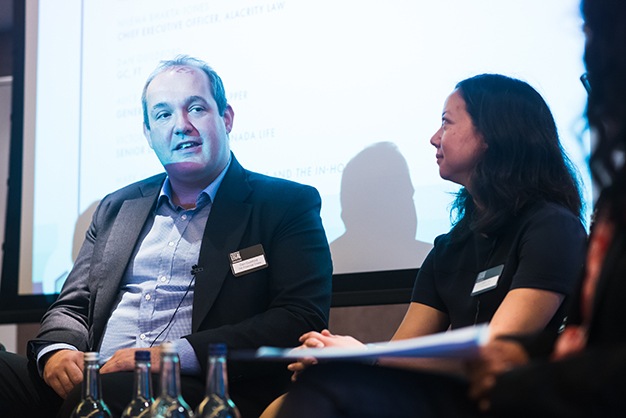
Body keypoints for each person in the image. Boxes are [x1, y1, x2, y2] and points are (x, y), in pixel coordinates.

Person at [0, 55, 333, 418]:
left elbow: (300, 316)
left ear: (226, 118)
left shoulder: (284, 204)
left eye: (196, 109)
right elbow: (72, 307)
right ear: (147, 133)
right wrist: (58, 351)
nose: (181, 126)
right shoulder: (117, 207)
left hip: (201, 387)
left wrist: (171, 356)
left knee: (110, 393)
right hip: (93, 380)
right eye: (163, 115)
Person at [272, 73, 588, 417]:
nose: (434, 138)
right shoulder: (450, 247)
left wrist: (361, 355)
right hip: (454, 397)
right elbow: (401, 354)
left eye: (446, 123)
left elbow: (496, 353)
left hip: (517, 401)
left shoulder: (552, 227)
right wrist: (336, 357)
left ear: (491, 134)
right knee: (290, 400)